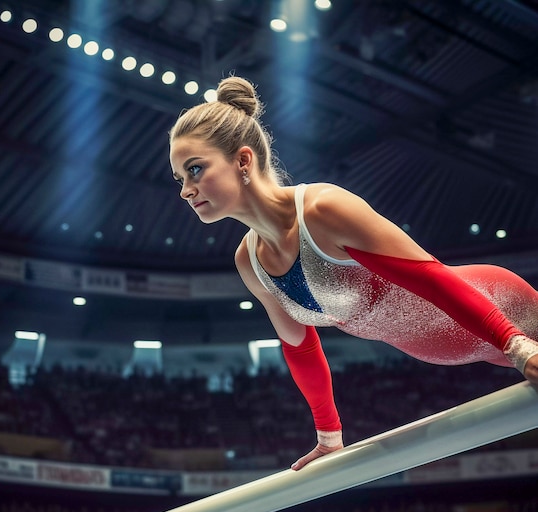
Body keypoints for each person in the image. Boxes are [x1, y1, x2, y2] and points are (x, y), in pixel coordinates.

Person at [169, 76, 538, 471]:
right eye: (179, 179)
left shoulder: (323, 211)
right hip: (449, 348)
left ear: (243, 160)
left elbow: (431, 280)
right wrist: (329, 437)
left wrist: (518, 346)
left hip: (497, 308)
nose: (186, 190)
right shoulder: (250, 262)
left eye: (194, 169)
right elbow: (301, 348)